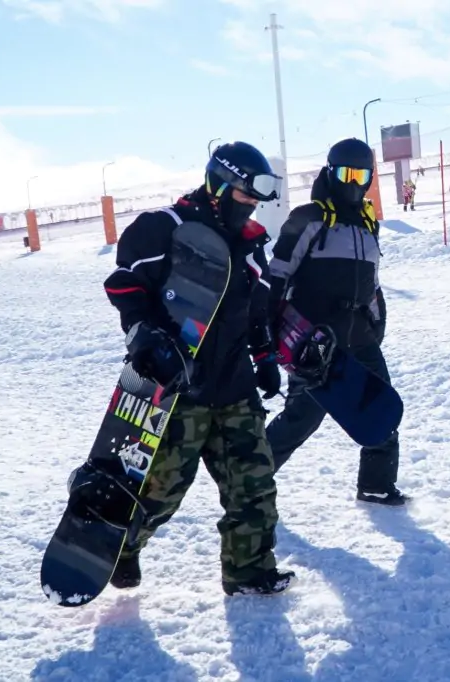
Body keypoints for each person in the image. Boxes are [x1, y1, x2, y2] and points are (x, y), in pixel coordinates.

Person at [94, 141, 295, 596]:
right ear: (219, 184)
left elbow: (256, 311)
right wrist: (142, 332)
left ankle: (248, 570)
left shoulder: (250, 245)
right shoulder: (165, 227)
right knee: (161, 493)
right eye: (246, 196)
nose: (252, 208)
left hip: (234, 386)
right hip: (177, 389)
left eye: (257, 200)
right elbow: (124, 284)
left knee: (255, 485)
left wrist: (264, 358)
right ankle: (119, 548)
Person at [265, 137, 407, 506]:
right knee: (301, 419)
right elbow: (277, 277)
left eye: (362, 175)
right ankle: (249, 482)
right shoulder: (309, 218)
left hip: (360, 337)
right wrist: (266, 333)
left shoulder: (367, 222)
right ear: (330, 172)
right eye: (345, 173)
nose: (353, 182)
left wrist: (377, 321)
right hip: (316, 343)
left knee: (381, 409)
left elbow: (371, 281)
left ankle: (376, 485)